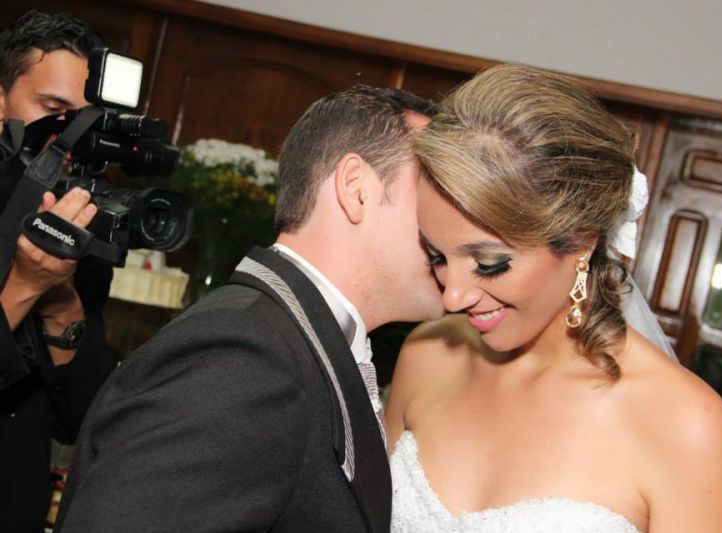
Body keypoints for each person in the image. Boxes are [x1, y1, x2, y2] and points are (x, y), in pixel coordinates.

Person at [386, 64, 722, 532]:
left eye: (489, 263)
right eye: (437, 255)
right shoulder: (426, 354)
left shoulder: (684, 423)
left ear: (581, 240)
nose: (454, 296)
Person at [55, 85, 444, 532]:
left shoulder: (297, 338)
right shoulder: (244, 357)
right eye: (433, 189)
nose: (454, 220)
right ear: (356, 189)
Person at [0, 11, 117, 532]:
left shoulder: (79, 227)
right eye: (53, 110)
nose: (71, 135)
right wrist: (26, 286)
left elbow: (82, 421)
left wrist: (61, 302)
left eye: (86, 120)